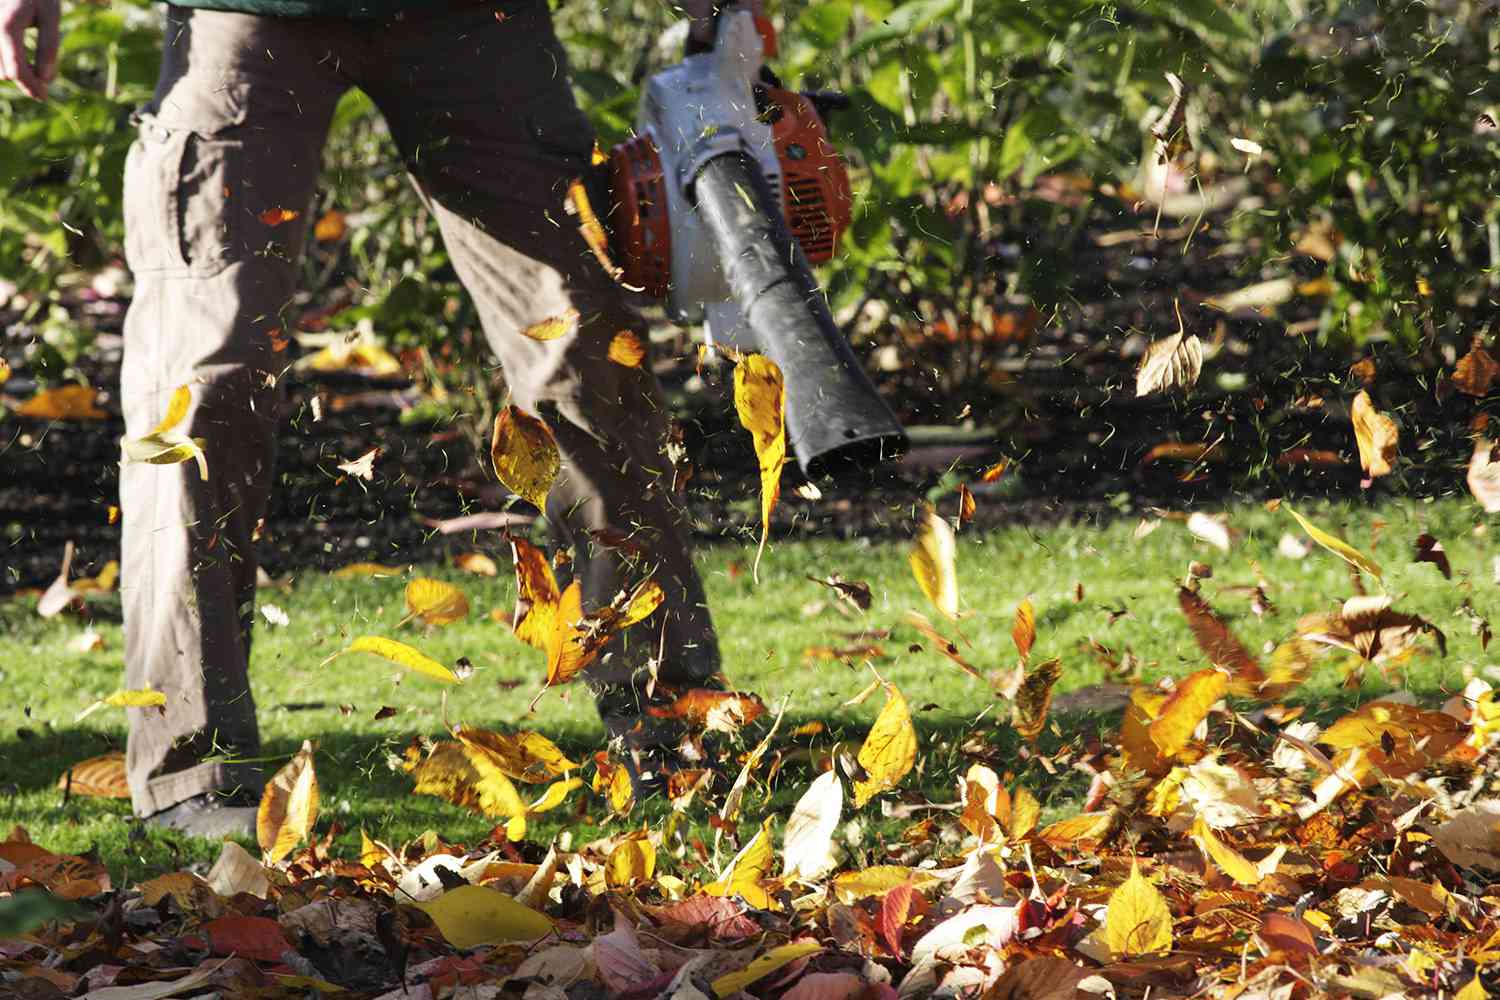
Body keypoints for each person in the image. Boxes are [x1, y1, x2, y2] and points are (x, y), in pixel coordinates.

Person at [0, 0, 742, 838]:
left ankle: (674, 734)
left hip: (475, 19)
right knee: (201, 386)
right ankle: (193, 779)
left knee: (585, 356)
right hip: (245, 15)